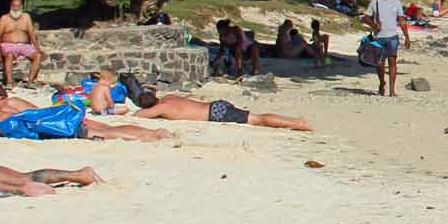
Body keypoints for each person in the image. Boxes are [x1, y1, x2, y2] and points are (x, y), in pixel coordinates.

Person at [0, 98, 169, 141]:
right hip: (63, 119)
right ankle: (152, 132)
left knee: (108, 133)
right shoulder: (10, 109)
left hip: (62, 127)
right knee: (106, 128)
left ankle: (152, 136)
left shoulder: (3, 118)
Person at [129, 90, 313, 131]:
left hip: (215, 114)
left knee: (258, 120)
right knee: (257, 118)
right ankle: (296, 121)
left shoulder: (163, 107)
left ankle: (297, 123)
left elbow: (139, 116)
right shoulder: (169, 97)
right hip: (215, 106)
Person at [365, 0, 405, 96]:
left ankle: (392, 90)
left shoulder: (397, 3)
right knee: (380, 64)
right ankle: (382, 82)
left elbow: (402, 20)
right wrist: (373, 25)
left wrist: (407, 36)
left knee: (393, 63)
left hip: (392, 37)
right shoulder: (375, 2)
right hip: (379, 38)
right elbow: (366, 17)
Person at [0, 0, 43, 85]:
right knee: (9, 55)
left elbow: (32, 35)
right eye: (13, 6)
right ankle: (9, 82)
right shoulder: (4, 19)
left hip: (24, 45)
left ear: (21, 6)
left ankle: (30, 82)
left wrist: (38, 49)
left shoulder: (26, 17)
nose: (15, 8)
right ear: (10, 6)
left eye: (18, 6)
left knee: (38, 56)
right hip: (8, 45)